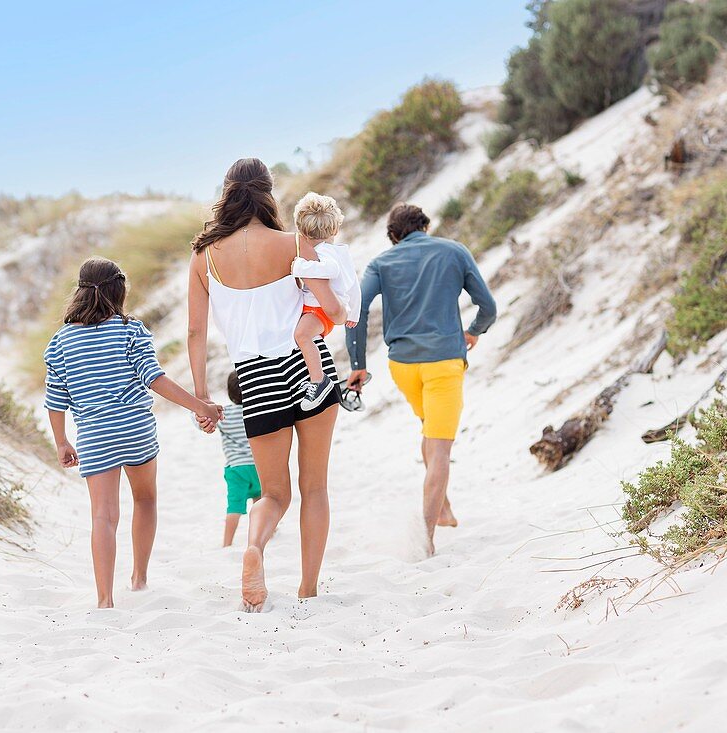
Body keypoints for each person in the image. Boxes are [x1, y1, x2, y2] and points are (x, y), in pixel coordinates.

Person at [187, 158, 347, 612]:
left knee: (274, 493)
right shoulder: (295, 243)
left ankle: (255, 544)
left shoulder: (203, 257)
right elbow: (331, 307)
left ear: (227, 193)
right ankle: (308, 589)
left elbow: (195, 333)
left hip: (256, 380)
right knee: (314, 487)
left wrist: (202, 396)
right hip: (306, 368)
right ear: (268, 193)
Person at [44, 257, 223, 608]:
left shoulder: (60, 342)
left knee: (103, 517)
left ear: (79, 291)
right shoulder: (130, 330)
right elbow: (154, 380)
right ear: (119, 290)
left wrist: (62, 442)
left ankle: (105, 599)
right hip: (135, 429)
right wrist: (200, 407)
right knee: (145, 499)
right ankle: (139, 578)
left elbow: (55, 399)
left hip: (95, 436)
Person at [345, 203, 497, 556]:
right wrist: (474, 332)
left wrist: (358, 363)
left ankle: (442, 509)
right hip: (444, 361)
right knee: (440, 446)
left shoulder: (381, 263)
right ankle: (427, 538)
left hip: (403, 366)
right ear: (425, 226)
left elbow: (358, 310)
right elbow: (487, 305)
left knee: (430, 429)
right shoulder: (453, 251)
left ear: (393, 236)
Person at [290, 192, 362, 410]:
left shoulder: (324, 252)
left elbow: (330, 269)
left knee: (301, 335)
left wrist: (299, 267)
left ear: (301, 231)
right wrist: (354, 313)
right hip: (324, 309)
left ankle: (318, 381)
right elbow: (354, 286)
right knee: (303, 336)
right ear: (335, 229)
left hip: (319, 311)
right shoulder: (340, 251)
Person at [218, 371, 261, 547]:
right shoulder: (256, 412)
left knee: (234, 506)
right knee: (261, 501)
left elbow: (198, 419)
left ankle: (227, 543)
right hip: (259, 465)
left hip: (236, 468)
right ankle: (266, 532)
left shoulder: (224, 414)